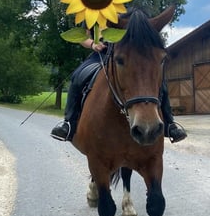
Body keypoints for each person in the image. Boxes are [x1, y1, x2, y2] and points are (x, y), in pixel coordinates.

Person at [50, 26, 188, 143]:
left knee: (159, 81)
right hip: (100, 54)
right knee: (77, 76)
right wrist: (93, 44)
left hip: (126, 53)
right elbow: (82, 37)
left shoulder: (122, 6)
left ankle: (170, 124)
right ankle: (69, 123)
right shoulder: (89, 10)